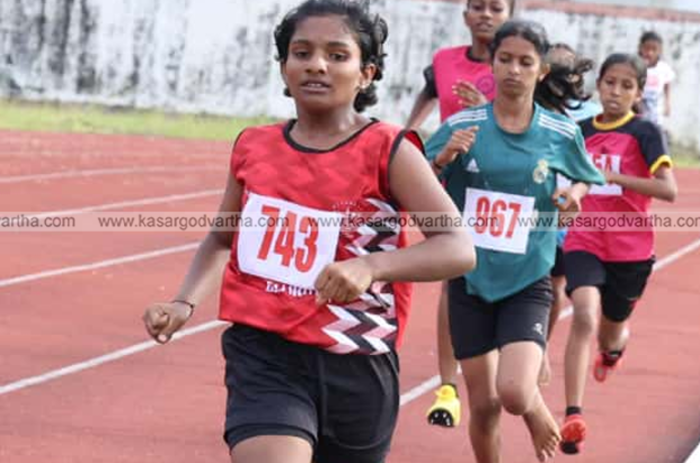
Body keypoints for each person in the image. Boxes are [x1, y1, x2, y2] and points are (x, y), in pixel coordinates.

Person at [142, 2, 476, 463]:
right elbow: (222, 239)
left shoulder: (388, 149)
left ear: (367, 73)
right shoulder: (253, 146)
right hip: (264, 352)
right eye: (302, 52)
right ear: (284, 68)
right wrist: (184, 301)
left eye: (338, 55)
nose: (317, 64)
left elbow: (458, 248)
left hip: (357, 360)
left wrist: (371, 265)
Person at [425, 20, 605, 463]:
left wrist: (572, 197)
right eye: (505, 59)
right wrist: (445, 159)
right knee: (483, 407)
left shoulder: (560, 132)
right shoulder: (463, 124)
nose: (513, 70)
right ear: (492, 62)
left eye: (526, 62)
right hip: (470, 278)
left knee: (513, 392)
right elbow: (418, 178)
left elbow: (585, 178)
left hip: (527, 276)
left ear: (541, 70)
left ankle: (535, 406)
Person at [558, 53, 678, 455]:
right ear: (599, 85)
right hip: (584, 239)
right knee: (584, 315)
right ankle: (573, 414)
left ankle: (613, 351)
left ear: (639, 92)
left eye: (627, 86)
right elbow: (567, 175)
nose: (616, 92)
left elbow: (668, 190)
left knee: (611, 329)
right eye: (610, 82)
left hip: (630, 247)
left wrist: (612, 177)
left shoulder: (646, 132)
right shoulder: (580, 130)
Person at [405, 0, 514, 429]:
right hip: (456, 182)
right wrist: (409, 130)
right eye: (477, 6)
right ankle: (448, 388)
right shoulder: (445, 61)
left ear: (510, 16)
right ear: (465, 15)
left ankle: (517, 356)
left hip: (509, 188)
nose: (486, 15)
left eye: (496, 8)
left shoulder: (517, 63)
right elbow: (430, 92)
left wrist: (486, 104)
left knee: (506, 280)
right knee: (454, 281)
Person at [539, 42, 601, 386]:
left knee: (551, 288)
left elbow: (585, 172)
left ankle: (539, 348)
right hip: (522, 218)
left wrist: (575, 195)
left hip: (559, 222)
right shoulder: (523, 108)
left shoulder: (580, 117)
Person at [637, 31, 675, 128]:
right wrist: (636, 103)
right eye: (646, 48)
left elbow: (667, 84)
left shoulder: (663, 68)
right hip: (637, 107)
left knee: (655, 130)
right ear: (640, 48)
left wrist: (667, 103)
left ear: (660, 51)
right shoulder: (636, 66)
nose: (650, 53)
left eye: (654, 49)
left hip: (655, 109)